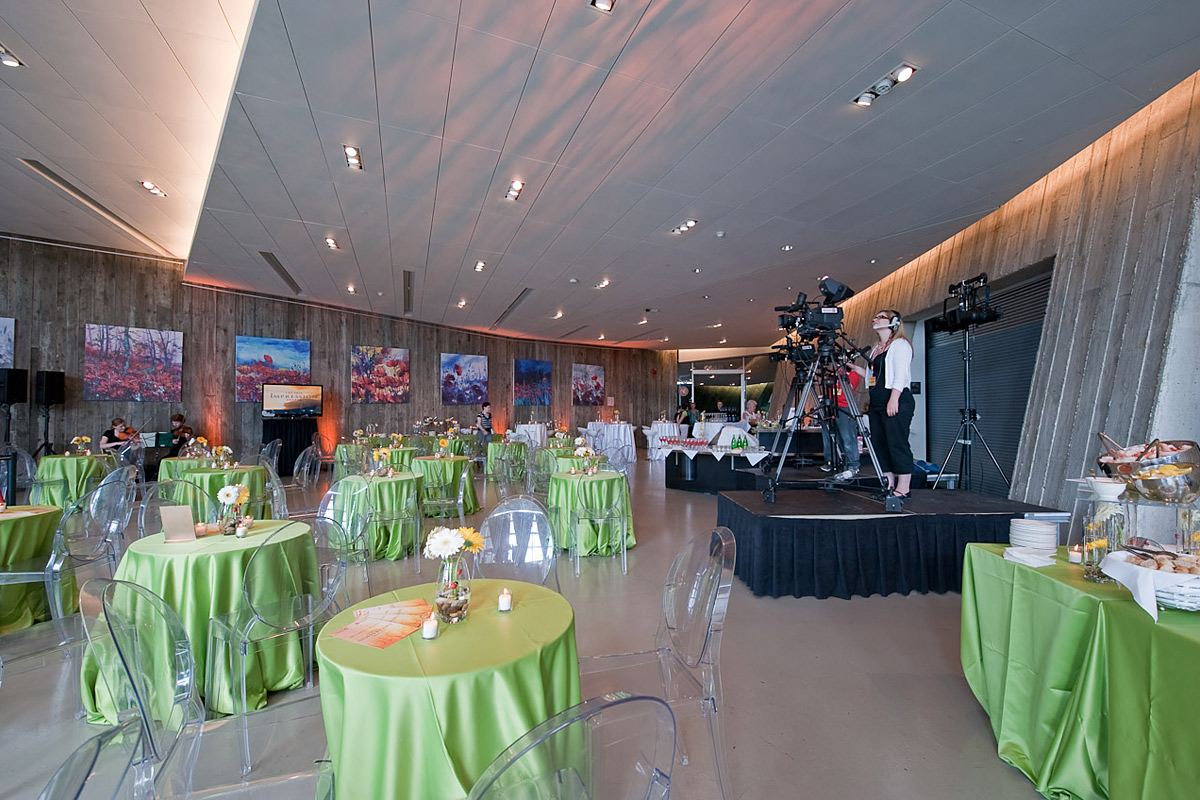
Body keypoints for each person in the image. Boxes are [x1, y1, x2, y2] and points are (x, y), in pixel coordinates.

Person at [851, 309, 915, 501]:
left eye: (880, 317)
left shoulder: (900, 345)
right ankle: (888, 486)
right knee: (880, 445)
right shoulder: (877, 348)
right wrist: (857, 369)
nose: (875, 320)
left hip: (895, 400)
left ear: (893, 321)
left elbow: (901, 375)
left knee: (897, 443)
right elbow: (874, 376)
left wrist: (893, 399)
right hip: (877, 403)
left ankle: (903, 489)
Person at [819, 368, 862, 480]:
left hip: (845, 408)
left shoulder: (853, 374)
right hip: (831, 406)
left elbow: (847, 389)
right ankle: (831, 461)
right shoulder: (831, 375)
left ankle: (853, 464)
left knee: (847, 437)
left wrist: (841, 375)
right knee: (829, 436)